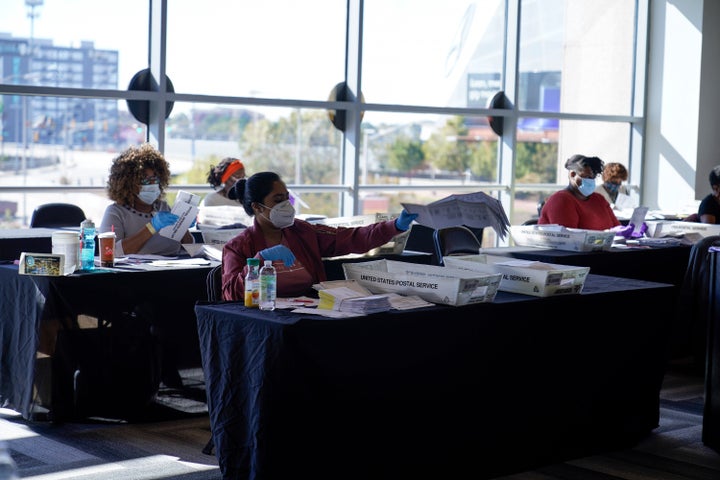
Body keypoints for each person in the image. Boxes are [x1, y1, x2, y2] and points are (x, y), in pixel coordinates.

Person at [221, 171, 418, 300]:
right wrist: (258, 261)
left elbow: (352, 238)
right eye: (277, 199)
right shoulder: (237, 247)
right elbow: (230, 294)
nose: (286, 205)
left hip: (310, 310)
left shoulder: (303, 232)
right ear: (257, 206)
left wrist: (395, 226)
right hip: (265, 317)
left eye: (286, 198)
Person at [99, 143, 194, 256]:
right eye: (146, 181)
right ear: (128, 183)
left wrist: (183, 224)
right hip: (140, 272)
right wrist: (151, 227)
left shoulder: (163, 207)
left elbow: (190, 247)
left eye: (155, 179)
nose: (153, 185)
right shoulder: (115, 212)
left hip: (175, 268)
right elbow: (110, 252)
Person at [538, 154, 620, 230]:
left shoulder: (599, 199)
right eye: (587, 177)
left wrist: (624, 232)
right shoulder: (561, 200)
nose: (591, 181)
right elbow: (569, 239)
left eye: (593, 177)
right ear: (573, 175)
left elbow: (616, 228)